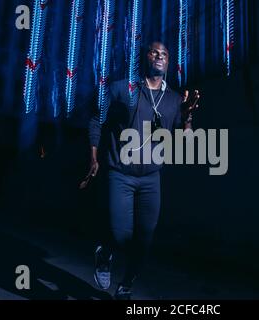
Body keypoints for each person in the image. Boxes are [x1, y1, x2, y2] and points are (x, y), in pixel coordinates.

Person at [84, 41, 200, 300]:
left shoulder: (173, 99)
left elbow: (186, 143)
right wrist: (94, 156)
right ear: (145, 57)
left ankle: (126, 285)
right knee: (121, 234)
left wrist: (187, 116)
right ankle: (104, 255)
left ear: (168, 62)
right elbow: (96, 117)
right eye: (154, 52)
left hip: (150, 178)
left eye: (165, 54)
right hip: (120, 173)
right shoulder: (122, 89)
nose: (159, 57)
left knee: (145, 239)